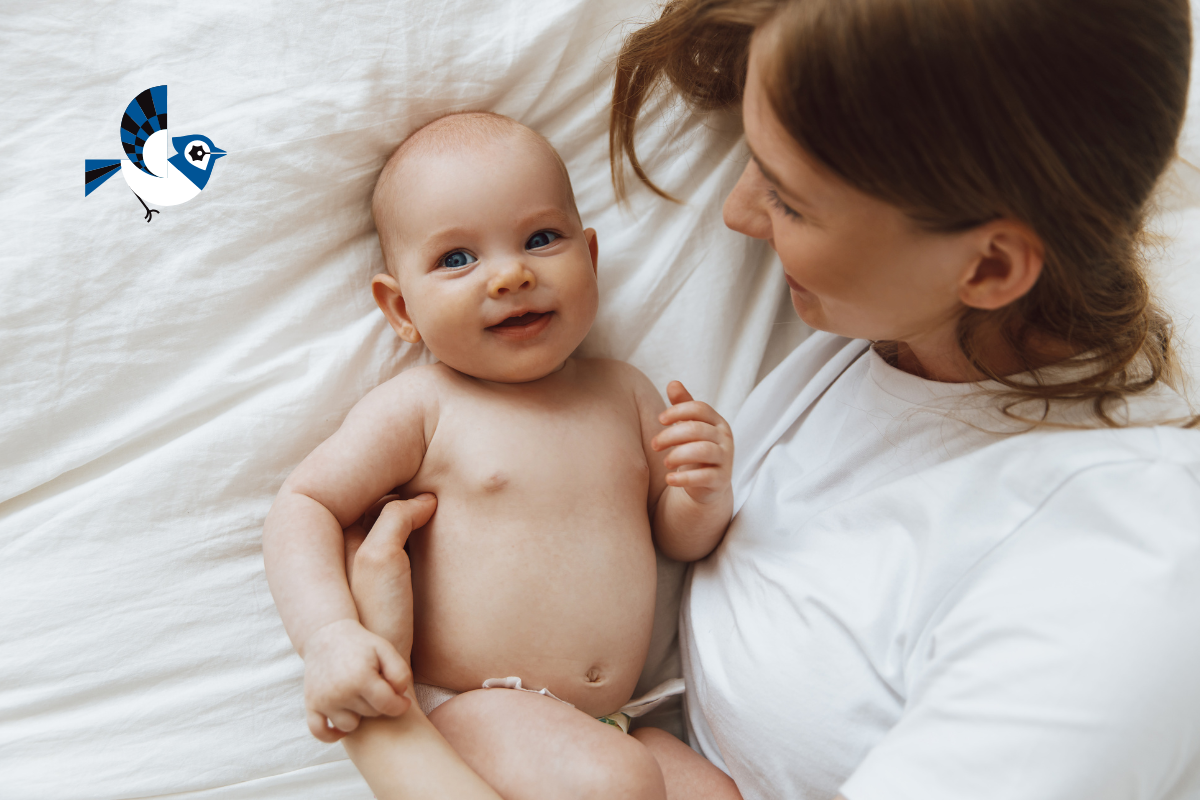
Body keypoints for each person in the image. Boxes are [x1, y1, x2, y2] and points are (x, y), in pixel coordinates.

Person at [338, 0, 1200, 798]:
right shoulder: (889, 334)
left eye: (790, 200)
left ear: (990, 267)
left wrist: (386, 728)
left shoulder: (1112, 579)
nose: (738, 214)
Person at [261, 111, 740, 800]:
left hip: (614, 722)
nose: (511, 274)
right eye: (457, 259)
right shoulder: (425, 406)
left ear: (591, 258)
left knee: (711, 792)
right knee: (617, 782)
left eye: (541, 239)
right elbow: (305, 503)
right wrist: (329, 636)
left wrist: (701, 491)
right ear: (402, 310)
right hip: (479, 711)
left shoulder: (625, 393)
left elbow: (678, 540)